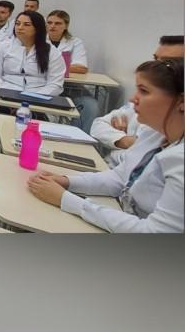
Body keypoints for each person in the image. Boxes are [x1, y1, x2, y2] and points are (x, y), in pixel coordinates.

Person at [28, 58, 184, 233]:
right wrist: (67, 182)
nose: (133, 99)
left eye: (144, 91)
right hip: (119, 213)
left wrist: (67, 200)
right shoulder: (155, 133)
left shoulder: (180, 160)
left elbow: (154, 233)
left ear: (181, 102)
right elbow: (119, 178)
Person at [0, 11, 66, 165]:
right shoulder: (3, 47)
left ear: (38, 28)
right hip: (5, 97)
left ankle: (26, 164)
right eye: (18, 23)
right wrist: (12, 96)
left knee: (35, 127)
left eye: (26, 24)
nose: (20, 27)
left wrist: (29, 99)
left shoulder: (51, 52)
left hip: (38, 101)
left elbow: (56, 84)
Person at [91, 36, 184, 166]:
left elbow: (137, 164)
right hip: (109, 172)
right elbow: (98, 125)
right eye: (155, 59)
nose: (156, 67)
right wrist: (125, 140)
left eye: (167, 63)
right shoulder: (143, 100)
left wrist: (132, 147)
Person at [46, 9, 98, 131]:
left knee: (91, 105)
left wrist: (52, 66)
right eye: (49, 22)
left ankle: (80, 140)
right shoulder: (39, 41)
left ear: (66, 25)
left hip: (69, 87)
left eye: (58, 23)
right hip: (44, 84)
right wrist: (64, 66)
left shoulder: (75, 42)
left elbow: (81, 68)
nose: (52, 26)